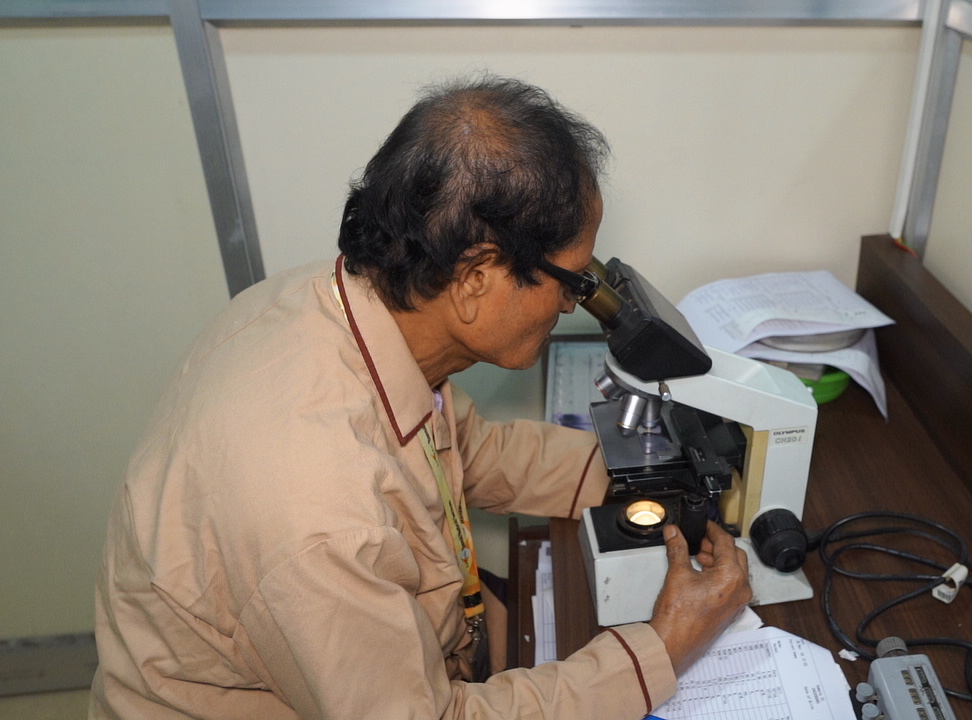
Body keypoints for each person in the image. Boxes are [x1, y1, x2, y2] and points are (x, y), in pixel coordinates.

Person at [90, 76, 752, 720]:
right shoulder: (318, 519)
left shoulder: (334, 308)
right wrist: (662, 648)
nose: (575, 304)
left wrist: (644, 475)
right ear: (474, 279)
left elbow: (467, 448)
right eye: (573, 281)